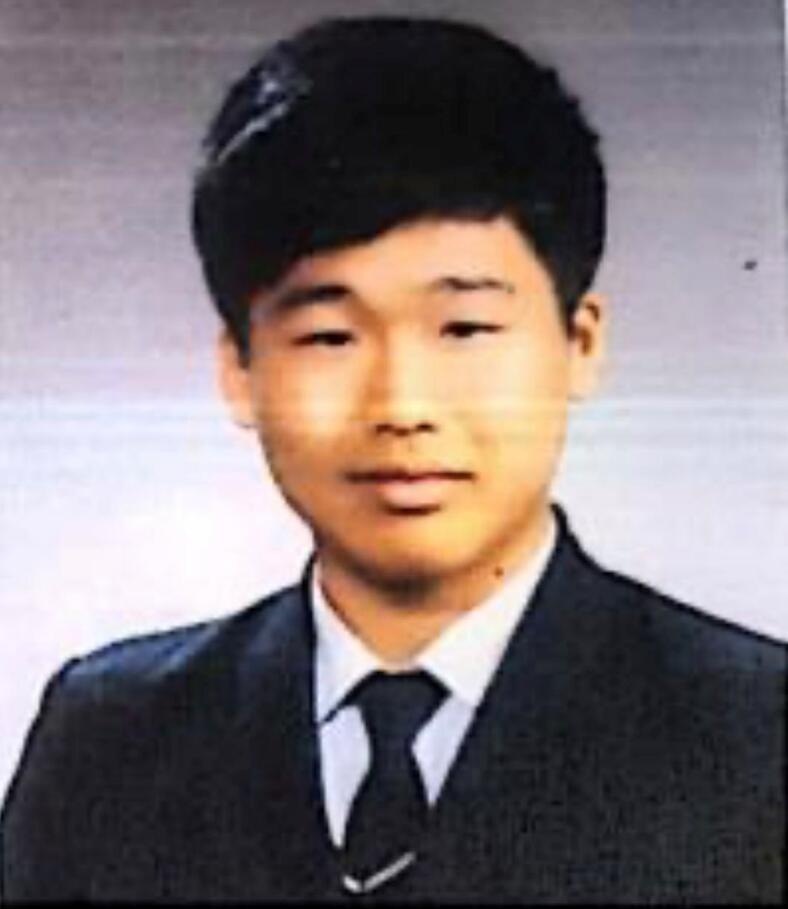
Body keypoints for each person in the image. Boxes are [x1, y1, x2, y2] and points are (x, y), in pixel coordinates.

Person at [1, 15, 785, 904]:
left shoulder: (757, 735)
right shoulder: (110, 737)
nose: (403, 406)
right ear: (239, 370)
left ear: (580, 344)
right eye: (329, 335)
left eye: (465, 328)